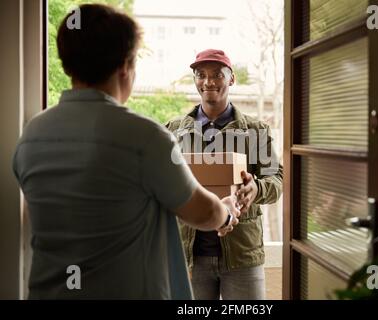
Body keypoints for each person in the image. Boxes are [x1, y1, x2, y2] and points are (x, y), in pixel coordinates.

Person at [12, 5, 239, 300]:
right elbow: (202, 211)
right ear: (125, 66)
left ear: (67, 66)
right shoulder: (145, 137)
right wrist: (226, 213)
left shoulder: (30, 136)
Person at [166, 49, 283, 300]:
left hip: (242, 255)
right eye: (201, 75)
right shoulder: (175, 131)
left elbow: (277, 180)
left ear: (231, 79)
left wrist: (256, 189)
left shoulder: (255, 131)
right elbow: (163, 186)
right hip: (190, 256)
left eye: (217, 74)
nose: (208, 81)